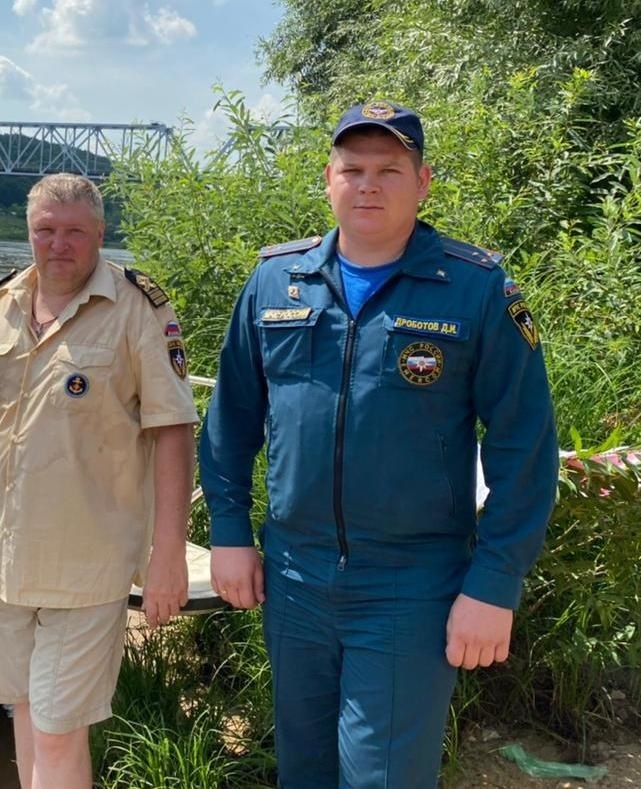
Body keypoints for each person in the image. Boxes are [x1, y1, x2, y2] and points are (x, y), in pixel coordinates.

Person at [199, 101, 558, 788]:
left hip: (410, 583)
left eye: (389, 169)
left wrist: (495, 581)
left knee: (381, 777)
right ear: (328, 179)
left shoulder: (476, 288)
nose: (369, 184)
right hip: (295, 577)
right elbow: (231, 420)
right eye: (353, 168)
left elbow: (525, 447)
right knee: (302, 771)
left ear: (423, 182)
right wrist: (228, 530)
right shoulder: (276, 280)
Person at [0, 173, 198, 788]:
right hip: (1, 557)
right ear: (28, 231)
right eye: (45, 230)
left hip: (88, 563)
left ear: (100, 234)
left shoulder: (139, 309)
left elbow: (174, 429)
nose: (59, 244)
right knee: (26, 713)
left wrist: (168, 555)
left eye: (75, 232)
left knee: (58, 731)